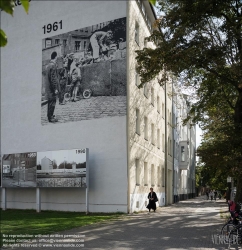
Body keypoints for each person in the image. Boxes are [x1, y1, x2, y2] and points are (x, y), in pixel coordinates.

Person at [45, 51, 59, 123]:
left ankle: (49, 115)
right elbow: (53, 78)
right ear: (55, 57)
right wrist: (55, 88)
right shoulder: (53, 65)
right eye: (57, 57)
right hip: (51, 88)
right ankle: (51, 118)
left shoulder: (48, 65)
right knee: (52, 102)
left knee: (50, 102)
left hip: (48, 87)